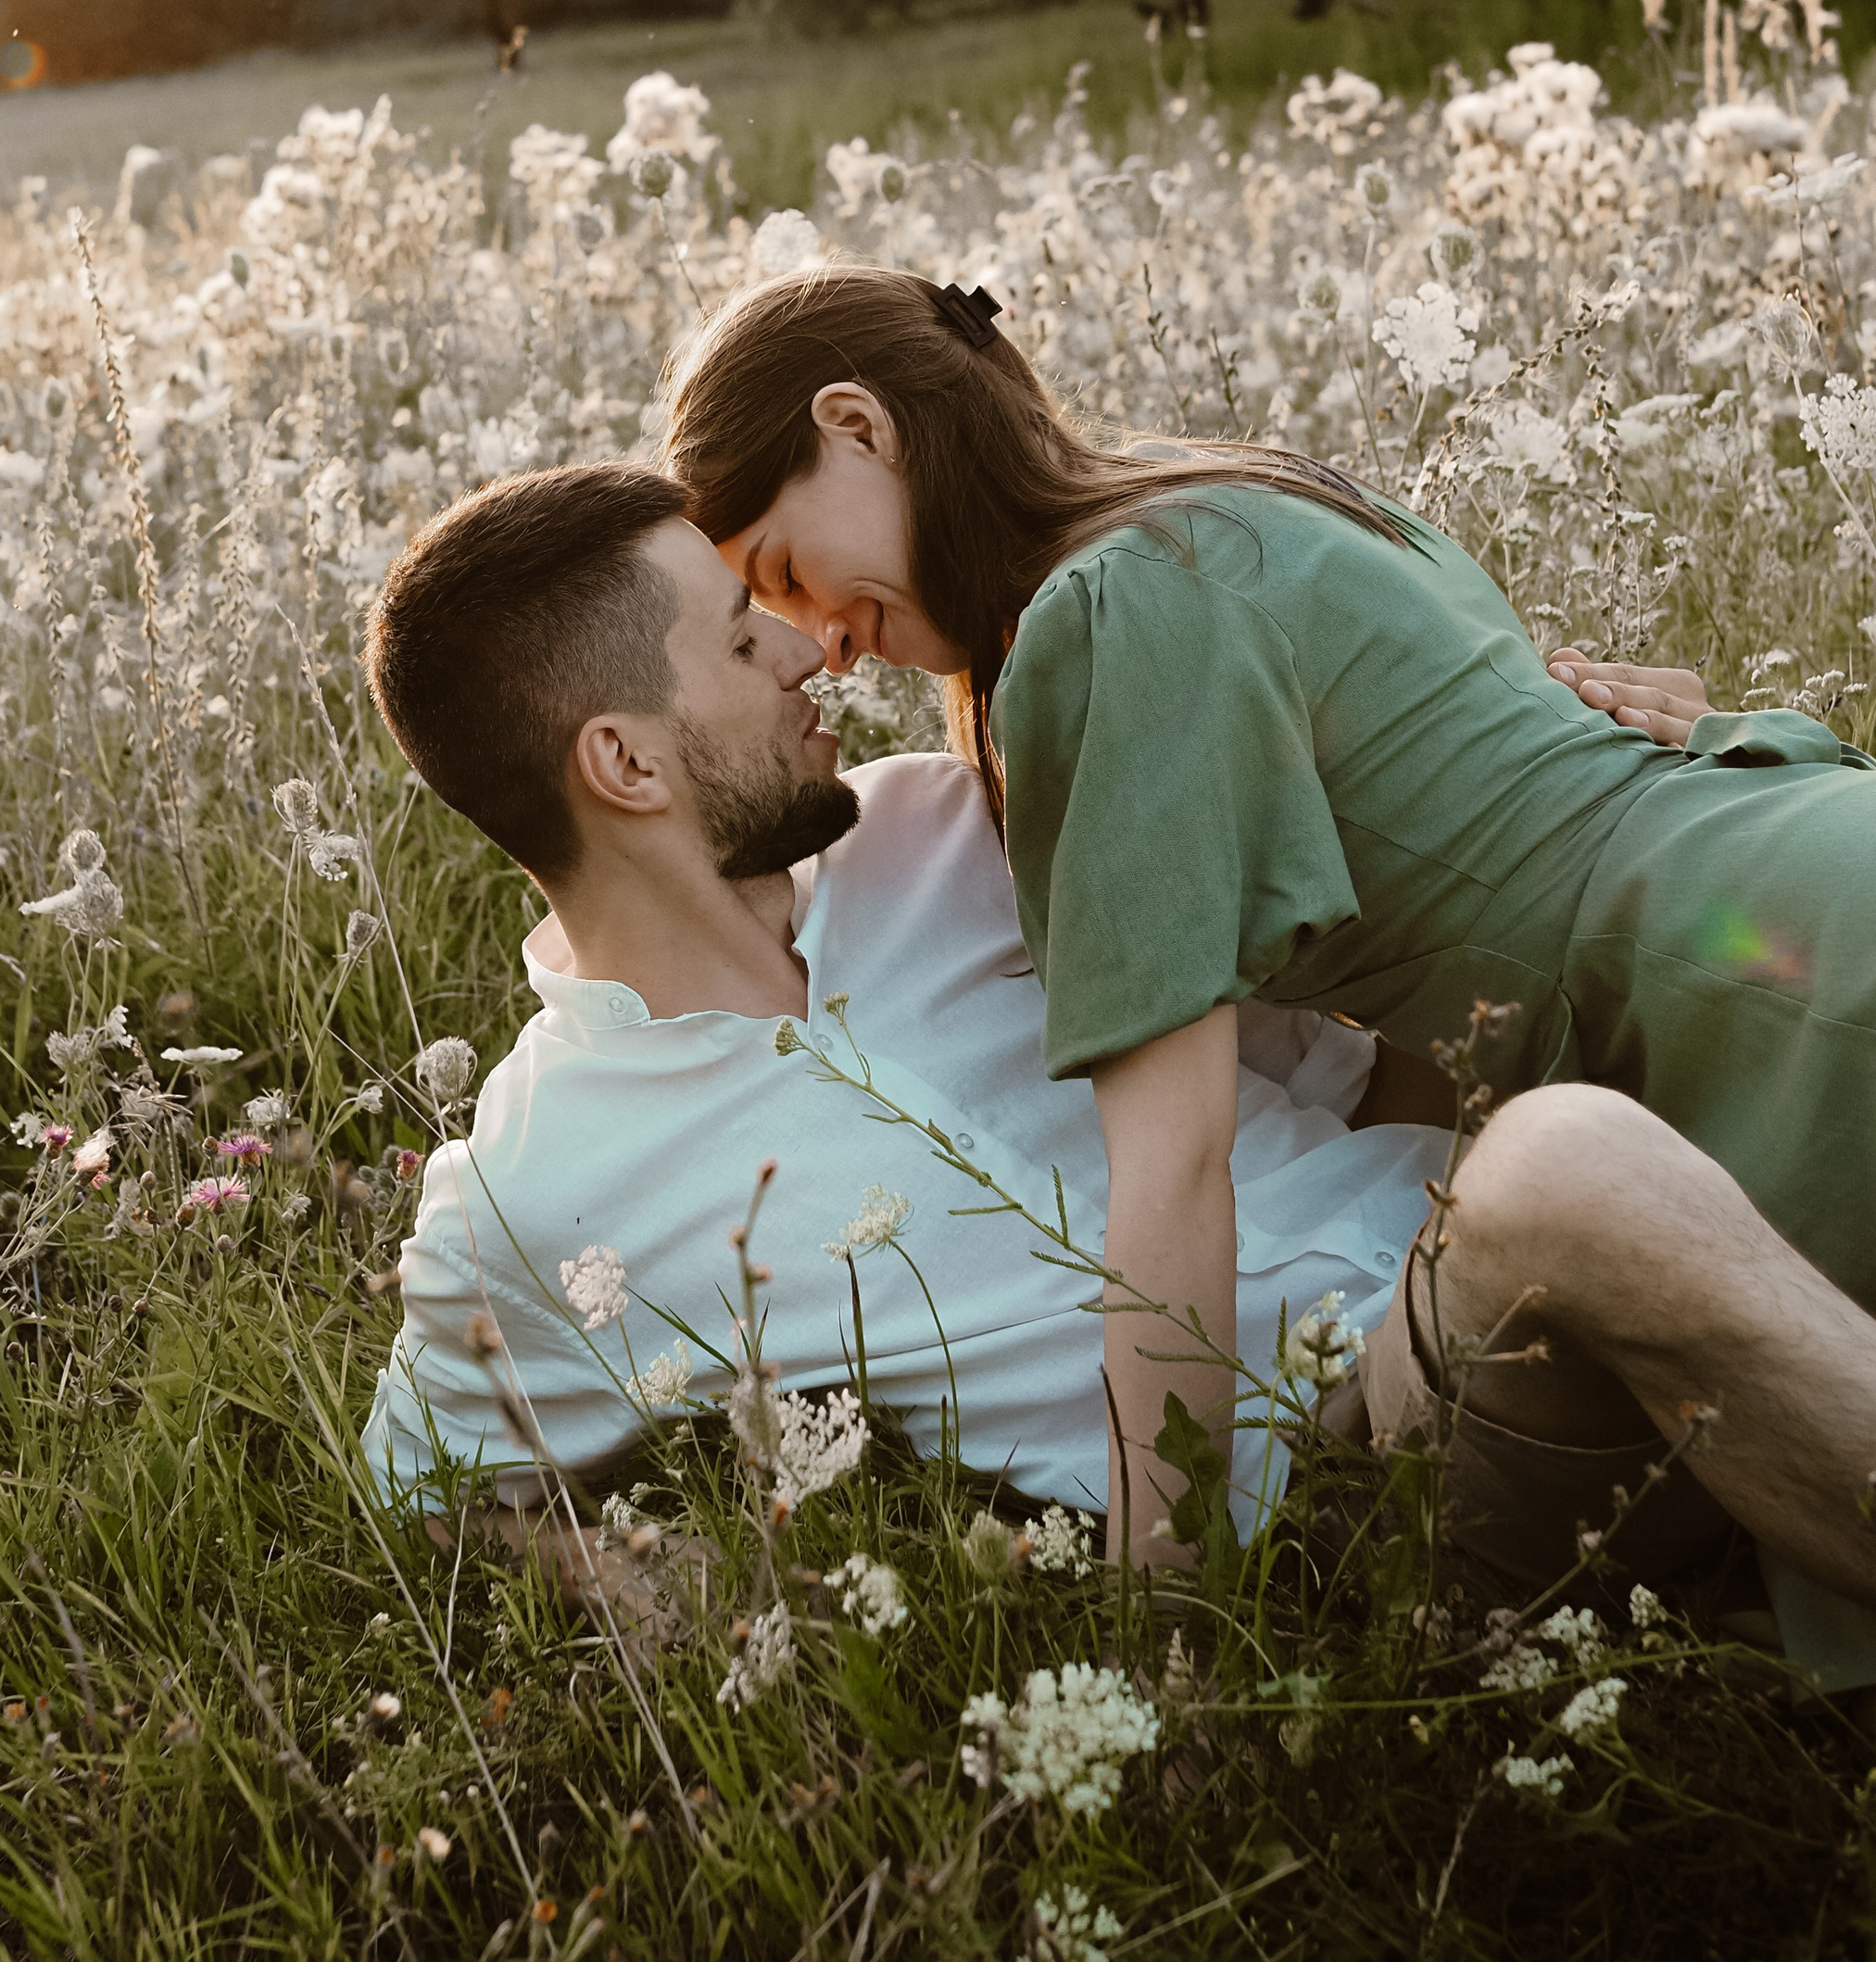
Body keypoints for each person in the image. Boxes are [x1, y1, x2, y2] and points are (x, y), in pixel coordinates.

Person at [358, 459, 1876, 1668]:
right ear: (623, 762)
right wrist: (608, 1572)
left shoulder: (959, 828)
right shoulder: (534, 1193)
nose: (810, 644)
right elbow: (411, 1473)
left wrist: (1571, 740)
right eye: (742, 636)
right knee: (1569, 1171)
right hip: (1345, 1480)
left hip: (1478, 1276)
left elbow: (1367, 1043)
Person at [660, 265, 1876, 1585]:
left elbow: (1175, 1175)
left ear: (859, 424)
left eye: (789, 571)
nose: (824, 647)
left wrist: (1163, 1618)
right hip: (1786, 871)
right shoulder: (1227, 493)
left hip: (1742, 990)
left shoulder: (1102, 618)